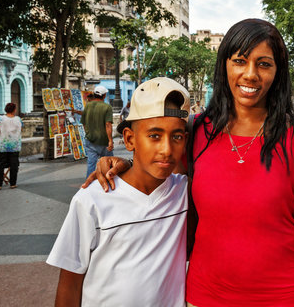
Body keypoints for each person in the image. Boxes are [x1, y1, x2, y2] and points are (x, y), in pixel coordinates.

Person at [84, 19, 294, 307]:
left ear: (278, 71)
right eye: (240, 61)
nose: (250, 74)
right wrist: (121, 163)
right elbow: (156, 168)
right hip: (205, 296)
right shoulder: (197, 131)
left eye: (264, 64)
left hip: (282, 296)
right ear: (224, 65)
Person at [47, 77, 190, 306]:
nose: (166, 149)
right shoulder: (92, 200)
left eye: (177, 137)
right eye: (154, 136)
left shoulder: (184, 194)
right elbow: (70, 284)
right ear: (130, 139)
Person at [81, 85, 113, 178]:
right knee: (109, 163)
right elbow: (108, 125)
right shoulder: (107, 107)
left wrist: (87, 133)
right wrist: (110, 140)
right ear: (103, 96)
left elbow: (84, 123)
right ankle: (109, 182)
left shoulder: (88, 106)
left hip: (90, 140)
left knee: (91, 165)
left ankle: (89, 185)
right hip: (104, 141)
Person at [0, 103, 22, 190]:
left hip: (2, 146)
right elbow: (21, 130)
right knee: (14, 165)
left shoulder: (0, 118)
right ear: (14, 110)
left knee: (0, 165)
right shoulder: (18, 119)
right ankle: (13, 184)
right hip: (14, 146)